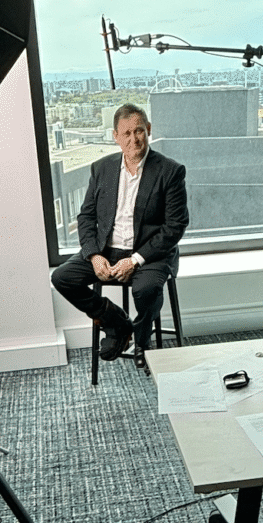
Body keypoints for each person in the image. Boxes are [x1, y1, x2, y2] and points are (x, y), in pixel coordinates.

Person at [51, 103, 188, 363]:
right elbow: (86, 217)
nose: (133, 139)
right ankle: (116, 322)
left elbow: (175, 226)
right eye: (126, 133)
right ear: (115, 136)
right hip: (107, 250)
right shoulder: (101, 168)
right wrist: (94, 256)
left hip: (150, 253)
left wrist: (135, 260)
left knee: (146, 290)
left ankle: (143, 341)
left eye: (139, 131)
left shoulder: (170, 171)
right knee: (62, 277)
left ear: (148, 130)